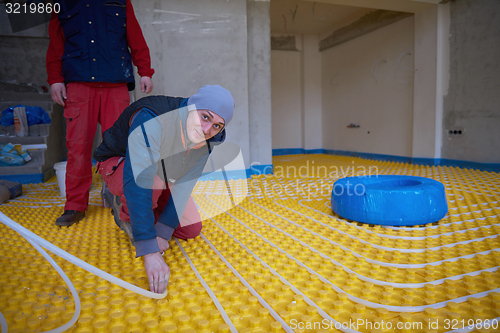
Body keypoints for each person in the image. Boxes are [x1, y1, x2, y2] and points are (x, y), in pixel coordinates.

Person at [94, 85, 235, 293]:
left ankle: (145, 213)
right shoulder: (152, 118)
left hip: (160, 174)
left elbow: (185, 185)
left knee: (190, 228)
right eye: (205, 117)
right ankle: (122, 208)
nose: (207, 130)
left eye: (217, 126)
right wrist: (149, 249)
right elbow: (138, 179)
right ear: (191, 107)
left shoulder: (206, 141)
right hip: (120, 165)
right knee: (151, 183)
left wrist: (163, 232)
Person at [46, 0, 155, 226]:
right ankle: (75, 206)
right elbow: (56, 44)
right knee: (78, 149)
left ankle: (122, 201)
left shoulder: (122, 2)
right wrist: (55, 79)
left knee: (121, 148)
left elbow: (135, 35)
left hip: (115, 85)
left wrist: (145, 70)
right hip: (78, 86)